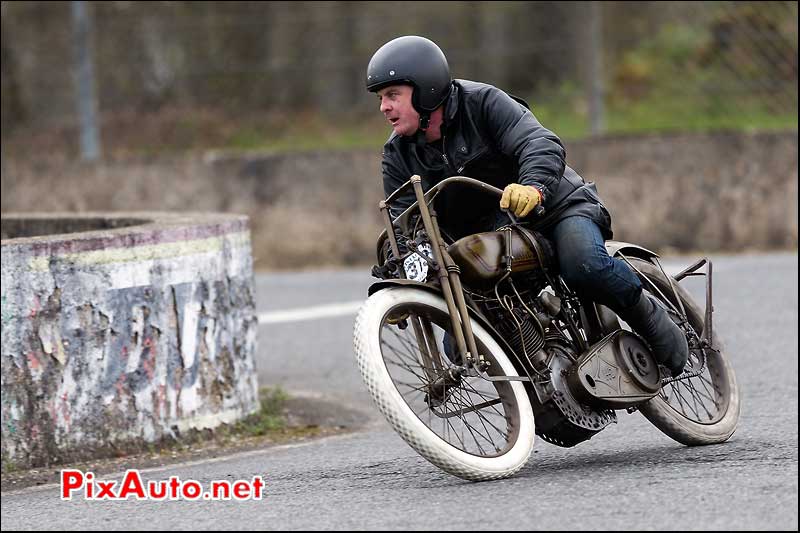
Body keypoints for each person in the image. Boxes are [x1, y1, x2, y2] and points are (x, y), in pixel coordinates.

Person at [365, 35, 689, 378]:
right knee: (460, 342)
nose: (384, 107)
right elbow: (405, 224)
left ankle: (656, 322)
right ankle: (546, 382)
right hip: (493, 242)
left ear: (426, 89)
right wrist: (402, 274)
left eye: (392, 95)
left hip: (554, 208)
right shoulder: (397, 154)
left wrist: (532, 186)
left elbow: (538, 142)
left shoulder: (483, 102)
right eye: (381, 98)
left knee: (585, 264)